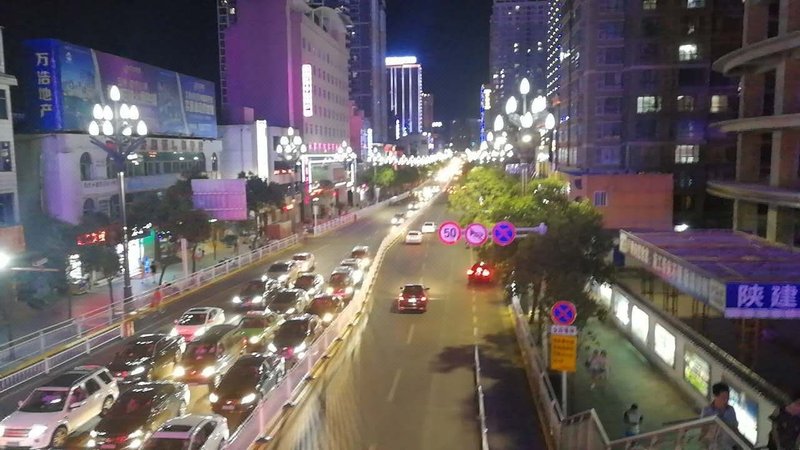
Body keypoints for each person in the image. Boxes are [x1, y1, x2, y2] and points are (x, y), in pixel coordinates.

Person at [701, 382, 739, 449]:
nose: (726, 401)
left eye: (727, 398)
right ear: (715, 396)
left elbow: (735, 429)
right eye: (723, 398)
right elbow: (703, 431)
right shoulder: (707, 411)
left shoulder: (730, 410)